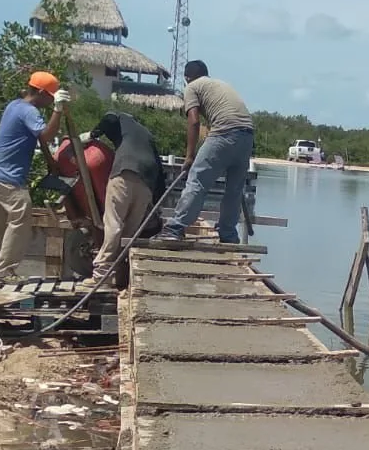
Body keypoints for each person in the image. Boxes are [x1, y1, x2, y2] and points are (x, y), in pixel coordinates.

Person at [0, 72, 67, 284]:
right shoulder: (29, 111)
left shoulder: (14, 105)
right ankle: (3, 271)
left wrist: (49, 161)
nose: (51, 100)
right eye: (50, 97)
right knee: (20, 218)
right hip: (9, 178)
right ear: (42, 93)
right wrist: (58, 110)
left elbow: (39, 140)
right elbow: (45, 136)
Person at [161, 60, 253, 244]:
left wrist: (189, 156)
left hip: (224, 132)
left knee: (196, 181)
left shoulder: (192, 87)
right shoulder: (219, 84)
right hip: (247, 136)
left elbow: (194, 122)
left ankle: (175, 228)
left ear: (187, 78)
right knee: (234, 190)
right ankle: (228, 235)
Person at [84, 110, 166, 286]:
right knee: (129, 233)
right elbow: (161, 171)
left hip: (125, 171)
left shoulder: (122, 118)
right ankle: (120, 277)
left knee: (113, 225)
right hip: (147, 182)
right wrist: (156, 202)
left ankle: (100, 276)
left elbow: (109, 117)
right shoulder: (146, 134)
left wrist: (93, 134)